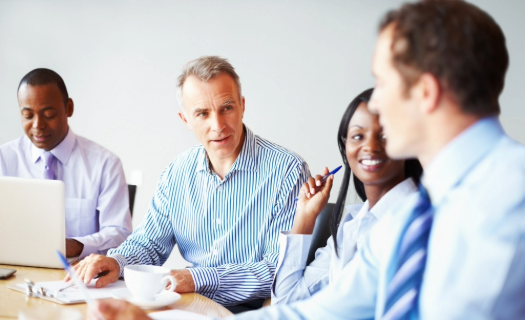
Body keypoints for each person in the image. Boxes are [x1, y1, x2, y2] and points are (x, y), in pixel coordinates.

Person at [89, 1, 525, 319]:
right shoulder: (410, 220)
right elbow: (315, 312)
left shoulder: (509, 199)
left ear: (425, 93)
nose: (374, 103)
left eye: (383, 82)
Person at [74, 56, 310, 311]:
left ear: (242, 106)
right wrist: (117, 263)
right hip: (187, 306)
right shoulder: (177, 172)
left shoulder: (287, 170)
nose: (217, 125)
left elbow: (278, 269)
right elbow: (149, 243)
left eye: (227, 108)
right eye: (202, 113)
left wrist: (198, 278)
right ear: (185, 119)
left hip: (251, 311)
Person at [272, 88, 422, 304]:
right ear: (346, 147)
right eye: (358, 136)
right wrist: (305, 217)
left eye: (385, 135)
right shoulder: (353, 223)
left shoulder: (417, 219)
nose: (370, 147)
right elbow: (285, 301)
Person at [0, 68, 132, 259]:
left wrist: (77, 245)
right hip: (14, 272)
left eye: (49, 114)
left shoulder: (105, 164)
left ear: (68, 108)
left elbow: (120, 235)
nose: (38, 125)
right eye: (28, 115)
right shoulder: (4, 159)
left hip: (79, 275)